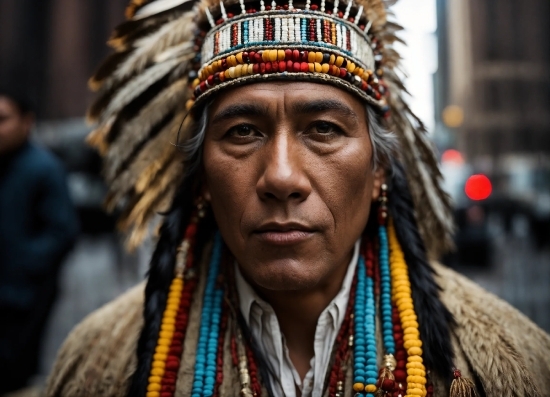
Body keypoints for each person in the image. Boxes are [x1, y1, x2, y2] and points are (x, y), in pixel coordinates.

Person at [45, 0, 550, 396]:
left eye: (324, 129)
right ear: (201, 177)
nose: (282, 176)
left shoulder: (509, 364)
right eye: (243, 131)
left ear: (380, 171)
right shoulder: (99, 363)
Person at [0, 89, 79, 394]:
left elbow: (62, 232)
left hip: (21, 301)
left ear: (27, 122)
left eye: (3, 119)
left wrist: (21, 269)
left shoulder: (44, 169)